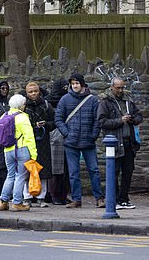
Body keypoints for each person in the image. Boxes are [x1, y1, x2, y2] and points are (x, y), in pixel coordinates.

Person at [55, 73, 104, 208]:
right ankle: (76, 199)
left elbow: (97, 120)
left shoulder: (93, 100)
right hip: (71, 142)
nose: (75, 86)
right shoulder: (65, 100)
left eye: (77, 83)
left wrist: (93, 135)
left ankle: (99, 198)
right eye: (73, 83)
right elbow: (58, 119)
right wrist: (67, 134)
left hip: (88, 141)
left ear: (82, 84)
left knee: (94, 170)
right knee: (73, 173)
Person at [98, 77, 143, 210]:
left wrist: (133, 120)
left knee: (128, 171)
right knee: (114, 172)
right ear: (112, 87)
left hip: (129, 141)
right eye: (118, 87)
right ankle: (115, 199)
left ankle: (124, 198)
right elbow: (101, 122)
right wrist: (120, 120)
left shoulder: (128, 100)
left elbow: (139, 116)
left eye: (122, 87)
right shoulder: (105, 102)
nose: (120, 90)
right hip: (114, 142)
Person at [0, 94, 37, 212]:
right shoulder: (23, 117)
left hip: (7, 150)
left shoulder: (4, 115)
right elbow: (29, 137)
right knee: (20, 176)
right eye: (24, 104)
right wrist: (33, 154)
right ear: (20, 105)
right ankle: (17, 202)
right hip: (21, 149)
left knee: (10, 175)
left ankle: (3, 202)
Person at [22, 82, 55, 208]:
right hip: (27, 140)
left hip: (43, 140)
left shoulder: (46, 105)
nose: (33, 93)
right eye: (30, 92)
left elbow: (54, 121)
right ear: (27, 93)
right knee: (27, 168)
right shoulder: (23, 107)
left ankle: (41, 197)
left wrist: (45, 124)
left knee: (43, 168)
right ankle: (27, 197)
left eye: (35, 91)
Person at [45, 78, 70, 205]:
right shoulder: (49, 102)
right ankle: (53, 194)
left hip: (64, 135)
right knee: (56, 167)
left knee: (64, 167)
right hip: (55, 135)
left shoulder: (67, 99)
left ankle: (62, 194)